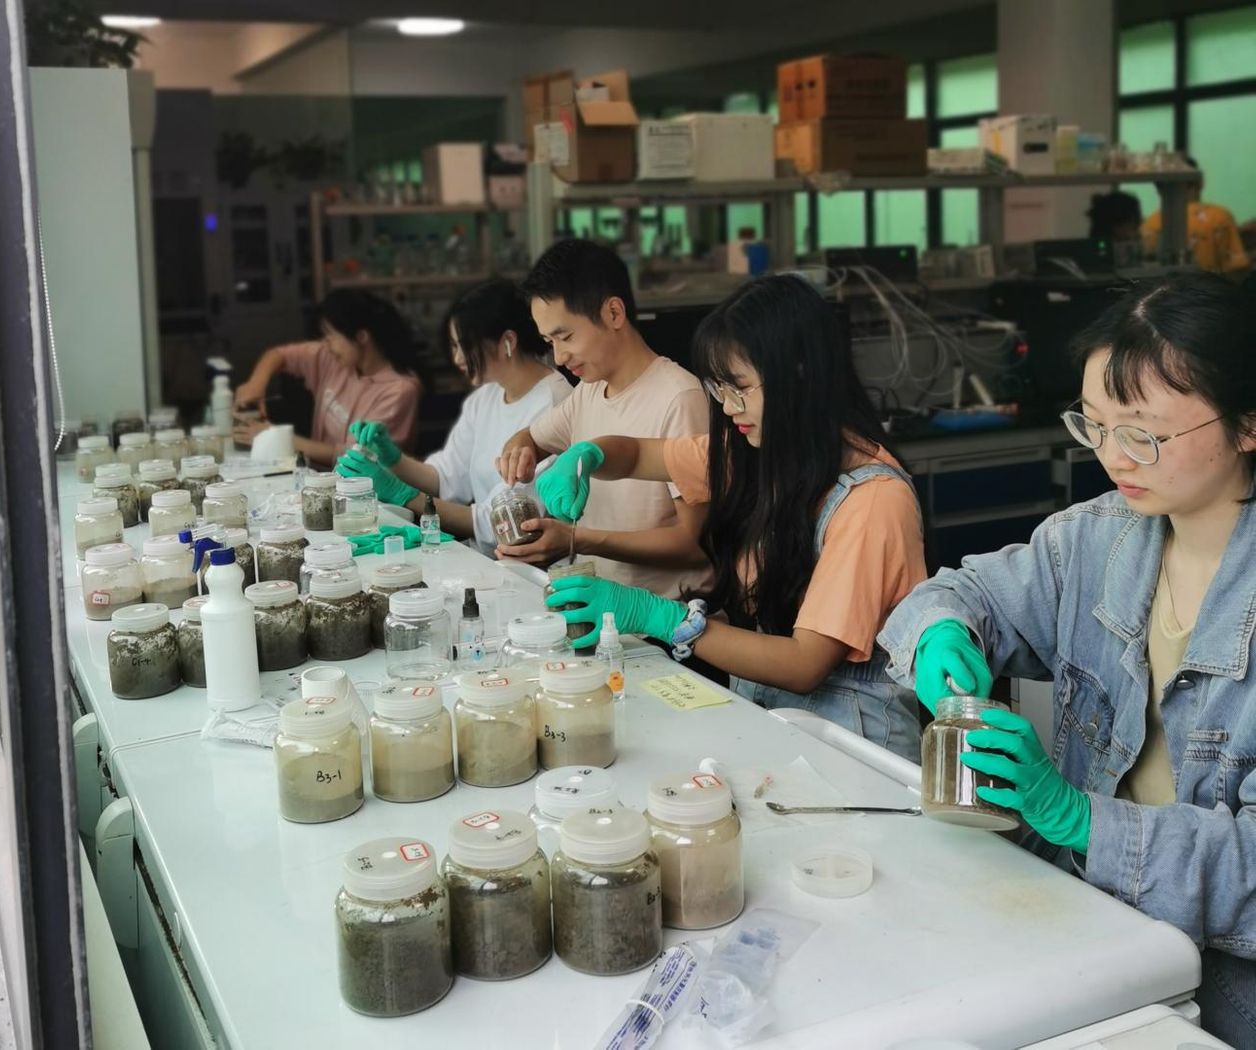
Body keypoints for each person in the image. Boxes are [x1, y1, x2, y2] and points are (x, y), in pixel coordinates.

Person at [877, 272, 1256, 1045]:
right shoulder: (1097, 537)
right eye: (1095, 425)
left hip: (1220, 992)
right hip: (1084, 926)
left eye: (1144, 432)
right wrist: (938, 634)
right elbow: (963, 593)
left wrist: (1080, 819)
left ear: (1247, 424)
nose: (1114, 456)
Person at [537, 274, 928, 759]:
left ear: (800, 372)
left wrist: (661, 617)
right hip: (773, 721)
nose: (728, 407)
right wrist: (589, 454)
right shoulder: (760, 452)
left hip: (855, 744)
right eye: (718, 388)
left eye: (740, 387)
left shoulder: (873, 499)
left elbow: (805, 663)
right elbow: (638, 456)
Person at [496, 239, 711, 598]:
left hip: (664, 622)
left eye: (565, 336)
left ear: (613, 313)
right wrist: (519, 451)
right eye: (549, 341)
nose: (559, 357)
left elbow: (693, 543)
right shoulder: (590, 389)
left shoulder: (679, 398)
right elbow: (530, 437)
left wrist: (577, 540)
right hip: (596, 607)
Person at [337, 279, 572, 554]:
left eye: (465, 346)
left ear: (507, 341)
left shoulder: (553, 403)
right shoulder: (485, 397)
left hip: (531, 566)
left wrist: (404, 496)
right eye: (453, 346)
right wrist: (392, 459)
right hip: (490, 559)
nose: (458, 359)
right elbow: (445, 479)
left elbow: (503, 521)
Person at [233, 288, 422, 467]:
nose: (326, 343)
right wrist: (256, 384)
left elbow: (358, 456)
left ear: (362, 337)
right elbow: (279, 355)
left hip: (362, 492)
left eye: (331, 335)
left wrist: (277, 436)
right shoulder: (336, 359)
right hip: (319, 479)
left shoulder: (399, 390)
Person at [1141, 157, 1250, 277]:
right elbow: (1236, 268)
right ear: (1201, 183)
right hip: (1211, 293)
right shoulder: (1220, 217)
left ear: (1159, 189)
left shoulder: (1149, 224)